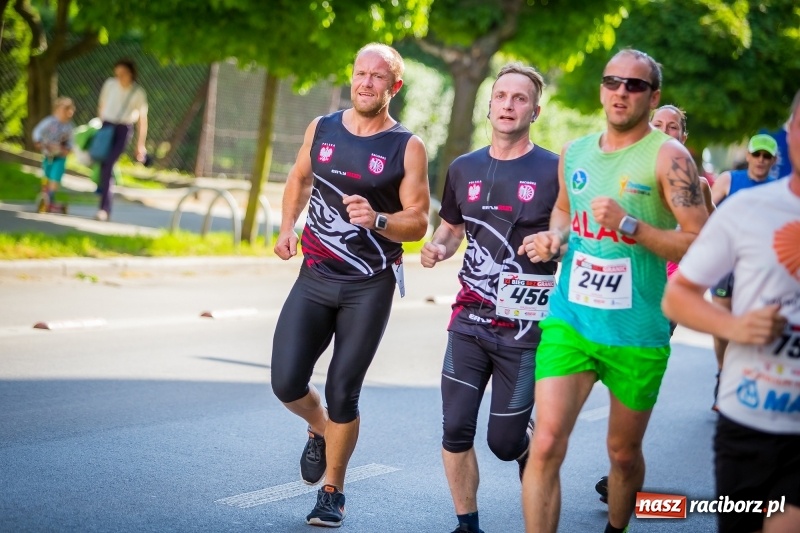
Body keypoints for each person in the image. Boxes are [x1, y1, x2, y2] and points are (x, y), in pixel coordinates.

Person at [519, 49, 709, 533]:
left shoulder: (671, 158)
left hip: (637, 330)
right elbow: (563, 212)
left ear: (653, 96)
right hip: (572, 319)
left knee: (622, 455)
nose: (621, 91)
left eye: (635, 85)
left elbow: (700, 241)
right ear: (602, 89)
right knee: (544, 443)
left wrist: (633, 228)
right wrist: (554, 239)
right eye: (612, 81)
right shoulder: (576, 152)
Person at [270, 43, 429, 528]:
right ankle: (319, 429)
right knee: (285, 382)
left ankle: (333, 493)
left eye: (378, 77)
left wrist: (378, 219)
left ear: (393, 87)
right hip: (315, 275)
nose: (366, 83)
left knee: (344, 390)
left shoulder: (407, 146)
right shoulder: (323, 128)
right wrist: (286, 226)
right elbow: (299, 178)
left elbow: (419, 220)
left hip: (369, 285)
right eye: (360, 73)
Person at [420, 63, 559, 533]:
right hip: (469, 321)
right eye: (501, 96)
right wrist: (439, 246)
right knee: (455, 428)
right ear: (489, 104)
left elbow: (575, 235)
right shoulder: (464, 168)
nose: (508, 105)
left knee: (503, 442)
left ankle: (526, 444)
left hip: (523, 329)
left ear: (535, 111)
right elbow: (453, 227)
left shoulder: (554, 169)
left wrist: (554, 244)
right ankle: (467, 524)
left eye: (520, 99)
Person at [662, 89, 800, 533]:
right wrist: (736, 325)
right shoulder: (745, 206)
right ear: (790, 134)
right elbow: (678, 296)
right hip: (748, 421)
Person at [708, 133, 778, 407]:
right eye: (757, 154)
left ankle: (745, 382)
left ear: (772, 161)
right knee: (722, 327)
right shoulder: (729, 180)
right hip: (726, 262)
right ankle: (724, 374)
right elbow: (706, 211)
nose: (760, 160)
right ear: (748, 156)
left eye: (766, 156)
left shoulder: (777, 189)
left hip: (758, 266)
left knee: (751, 328)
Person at [95, 58, 148, 221]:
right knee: (102, 163)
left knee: (109, 164)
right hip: (106, 126)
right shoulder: (110, 84)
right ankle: (103, 192)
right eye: (117, 73)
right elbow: (101, 106)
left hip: (123, 129)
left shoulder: (138, 92)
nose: (119, 77)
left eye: (123, 73)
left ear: (131, 73)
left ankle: (104, 208)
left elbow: (142, 120)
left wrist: (141, 145)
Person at [32, 97, 75, 211]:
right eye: (62, 110)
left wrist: (68, 149)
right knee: (46, 176)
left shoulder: (69, 127)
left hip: (60, 157)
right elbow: (37, 131)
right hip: (48, 154)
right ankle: (46, 199)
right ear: (56, 110)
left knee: (54, 178)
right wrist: (38, 141)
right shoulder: (50, 122)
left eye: (68, 111)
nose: (65, 114)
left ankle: (49, 199)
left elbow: (71, 142)